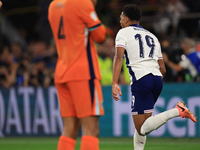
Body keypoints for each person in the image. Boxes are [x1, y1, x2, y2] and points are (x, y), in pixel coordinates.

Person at [112, 4, 197, 150]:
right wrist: (154, 79)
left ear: (126, 19)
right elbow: (162, 68)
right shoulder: (152, 36)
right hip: (157, 80)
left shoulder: (123, 32)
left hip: (141, 79)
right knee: (143, 123)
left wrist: (115, 82)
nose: (120, 21)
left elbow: (119, 57)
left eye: (121, 17)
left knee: (142, 129)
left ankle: (177, 110)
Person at [48, 0, 106, 150]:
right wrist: (91, 7)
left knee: (69, 130)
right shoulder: (82, 3)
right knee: (91, 129)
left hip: (62, 71)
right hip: (83, 73)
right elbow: (100, 36)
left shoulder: (53, 5)